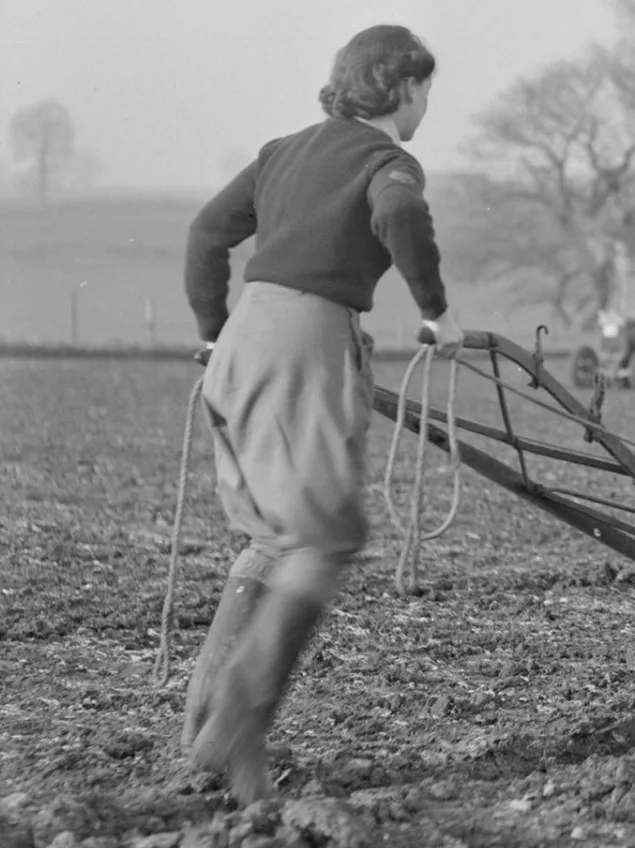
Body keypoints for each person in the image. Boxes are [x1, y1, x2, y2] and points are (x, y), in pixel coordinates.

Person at [180, 24, 464, 803]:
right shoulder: (387, 161)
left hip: (244, 339)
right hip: (308, 343)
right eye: (426, 90)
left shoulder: (282, 151)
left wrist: (213, 331)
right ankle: (238, 719)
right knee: (327, 536)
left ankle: (204, 725)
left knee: (275, 534)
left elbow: (207, 233)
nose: (427, 104)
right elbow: (401, 217)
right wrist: (435, 312)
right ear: (401, 88)